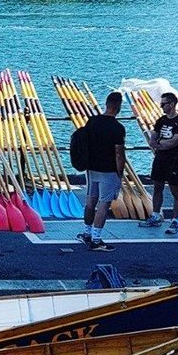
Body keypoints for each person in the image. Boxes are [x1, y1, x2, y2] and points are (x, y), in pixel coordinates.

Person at [77, 91, 126, 252]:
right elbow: (119, 153)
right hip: (109, 170)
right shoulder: (118, 128)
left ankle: (87, 233)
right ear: (118, 106)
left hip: (92, 168)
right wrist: (120, 172)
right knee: (104, 204)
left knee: (91, 202)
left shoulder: (92, 121)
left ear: (106, 104)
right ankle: (96, 239)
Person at [141, 92, 178, 235]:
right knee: (157, 187)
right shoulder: (161, 120)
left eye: (163, 104)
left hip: (175, 160)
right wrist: (158, 143)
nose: (161, 106)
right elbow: (153, 138)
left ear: (172, 104)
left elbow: (174, 141)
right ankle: (156, 215)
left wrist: (159, 144)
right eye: (161, 103)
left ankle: (175, 221)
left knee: (175, 190)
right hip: (160, 159)